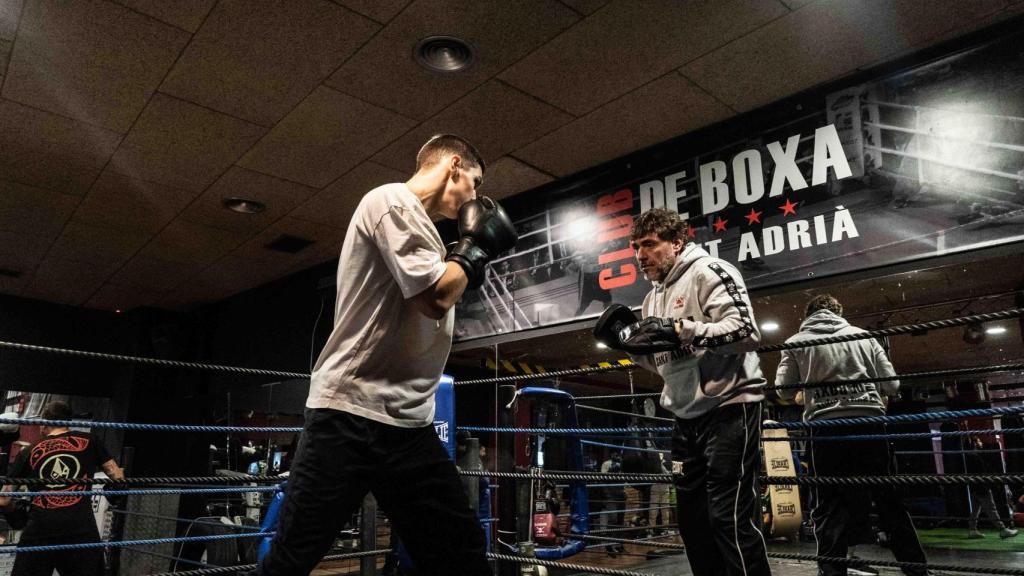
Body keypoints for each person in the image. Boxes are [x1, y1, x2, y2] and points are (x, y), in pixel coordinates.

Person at [251, 134, 517, 576]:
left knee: (460, 549)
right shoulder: (391, 201)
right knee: (291, 558)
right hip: (350, 414)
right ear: (454, 165)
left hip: (408, 424)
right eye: (475, 180)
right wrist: (474, 248)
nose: (476, 195)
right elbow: (435, 298)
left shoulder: (428, 235)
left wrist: (465, 256)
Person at [594, 208, 771, 576]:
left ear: (676, 243)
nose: (640, 256)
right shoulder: (651, 299)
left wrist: (682, 330)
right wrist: (630, 348)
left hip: (730, 407)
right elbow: (664, 364)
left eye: (649, 245)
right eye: (635, 247)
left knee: (729, 518)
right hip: (685, 418)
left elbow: (747, 333)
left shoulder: (710, 272)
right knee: (691, 522)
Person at [775, 294, 928, 576]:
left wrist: (810, 389)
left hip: (827, 430)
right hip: (869, 425)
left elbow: (783, 390)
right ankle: (917, 570)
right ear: (839, 312)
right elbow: (892, 385)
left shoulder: (796, 341)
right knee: (889, 500)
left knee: (830, 504)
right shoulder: (864, 337)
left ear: (807, 315)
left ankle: (832, 571)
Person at [0, 400, 124, 576]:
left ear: (45, 422)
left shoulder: (28, 451)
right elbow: (118, 476)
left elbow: (4, 500)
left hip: (40, 529)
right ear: (67, 421)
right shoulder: (90, 441)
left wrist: (17, 515)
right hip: (80, 528)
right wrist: (113, 493)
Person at [964, 435, 1018, 539]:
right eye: (979, 441)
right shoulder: (975, 456)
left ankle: (972, 529)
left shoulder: (968, 456)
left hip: (974, 486)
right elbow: (983, 471)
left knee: (975, 509)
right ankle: (1002, 529)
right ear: (975, 443)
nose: (981, 443)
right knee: (991, 508)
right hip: (981, 486)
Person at [598, 450, 626, 556]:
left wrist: (624, 491)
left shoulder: (622, 463)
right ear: (611, 454)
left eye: (618, 453)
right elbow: (603, 478)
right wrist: (613, 469)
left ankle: (619, 544)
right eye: (614, 453)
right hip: (610, 495)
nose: (616, 455)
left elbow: (625, 478)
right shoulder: (606, 464)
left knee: (620, 521)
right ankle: (609, 545)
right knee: (613, 519)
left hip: (620, 494)